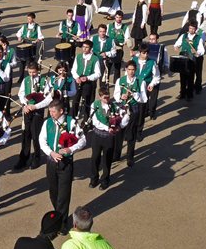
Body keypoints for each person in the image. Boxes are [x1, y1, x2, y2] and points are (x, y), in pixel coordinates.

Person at [39, 99, 86, 234]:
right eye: (50, 111)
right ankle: (59, 215)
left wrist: (70, 150)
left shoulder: (72, 122)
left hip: (66, 163)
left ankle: (62, 223)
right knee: (53, 193)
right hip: (51, 161)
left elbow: (83, 140)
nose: (51, 114)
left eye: (53, 111)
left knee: (64, 195)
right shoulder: (47, 123)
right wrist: (51, 153)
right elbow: (42, 140)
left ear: (61, 111)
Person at [13, 61, 53, 171]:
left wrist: (36, 107)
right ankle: (23, 159)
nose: (31, 75)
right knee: (26, 135)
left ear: (38, 71)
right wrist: (25, 105)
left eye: (33, 72)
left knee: (36, 136)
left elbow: (48, 99)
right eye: (29, 72)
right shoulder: (26, 80)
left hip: (37, 112)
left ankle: (36, 158)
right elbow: (21, 94)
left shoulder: (45, 81)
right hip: (27, 111)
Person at [88, 87, 128, 189]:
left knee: (107, 159)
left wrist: (120, 126)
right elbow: (95, 121)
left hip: (109, 138)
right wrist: (107, 128)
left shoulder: (114, 105)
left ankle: (105, 180)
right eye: (105, 97)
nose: (107, 99)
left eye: (108, 97)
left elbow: (125, 115)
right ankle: (94, 178)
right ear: (100, 97)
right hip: (97, 136)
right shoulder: (94, 105)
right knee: (95, 158)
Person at [112, 61, 146, 166]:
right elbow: (116, 95)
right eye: (129, 69)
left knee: (131, 134)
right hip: (122, 109)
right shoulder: (120, 80)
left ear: (135, 70)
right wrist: (121, 97)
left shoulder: (141, 81)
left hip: (133, 109)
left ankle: (130, 157)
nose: (131, 72)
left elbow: (144, 99)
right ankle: (116, 155)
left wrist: (135, 95)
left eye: (133, 70)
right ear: (126, 69)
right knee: (118, 133)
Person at [173, 22, 205, 100]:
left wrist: (197, 52)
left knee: (190, 78)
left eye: (193, 29)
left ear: (195, 29)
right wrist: (176, 47)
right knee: (182, 77)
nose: (191, 30)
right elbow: (177, 44)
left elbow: (202, 50)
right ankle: (182, 93)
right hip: (183, 59)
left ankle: (189, 95)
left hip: (192, 60)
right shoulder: (184, 36)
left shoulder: (198, 38)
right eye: (190, 28)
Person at [71, 40, 101, 118]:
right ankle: (73, 117)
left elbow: (98, 73)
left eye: (86, 47)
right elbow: (73, 70)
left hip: (88, 83)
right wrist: (77, 77)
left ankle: (86, 119)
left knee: (87, 102)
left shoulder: (95, 58)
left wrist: (87, 78)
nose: (84, 49)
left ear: (90, 48)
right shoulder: (78, 56)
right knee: (75, 101)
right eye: (83, 47)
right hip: (78, 81)